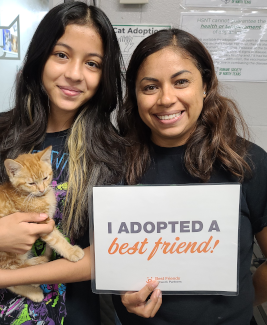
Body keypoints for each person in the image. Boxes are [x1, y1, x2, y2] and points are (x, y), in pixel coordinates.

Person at [0, 2, 125, 324]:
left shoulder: (112, 151)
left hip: (73, 314)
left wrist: (4, 277)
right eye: (62, 55)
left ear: (104, 75)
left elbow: (105, 255)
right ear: (39, 58)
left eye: (93, 63)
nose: (74, 73)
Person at [112, 28, 267, 324]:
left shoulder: (247, 162)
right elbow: (105, 261)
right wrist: (120, 294)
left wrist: (243, 301)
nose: (166, 99)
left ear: (205, 84)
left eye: (181, 81)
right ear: (135, 93)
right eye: (150, 87)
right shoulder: (113, 164)